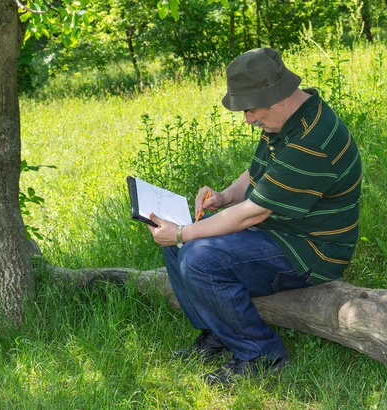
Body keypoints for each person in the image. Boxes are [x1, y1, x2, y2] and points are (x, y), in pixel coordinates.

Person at [147, 47, 362, 386]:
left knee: (197, 255)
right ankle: (218, 332)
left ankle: (261, 354)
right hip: (281, 230)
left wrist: (183, 233)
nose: (247, 118)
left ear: (276, 98)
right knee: (181, 244)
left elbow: (252, 214)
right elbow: (256, 173)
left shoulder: (311, 141)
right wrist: (225, 196)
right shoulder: (289, 117)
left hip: (310, 250)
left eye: (250, 108)